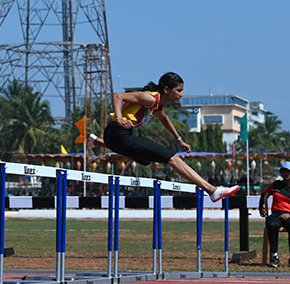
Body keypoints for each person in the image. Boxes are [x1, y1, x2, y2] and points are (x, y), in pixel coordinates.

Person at [90, 72, 239, 203]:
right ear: (166, 89)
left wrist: (179, 139)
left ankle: (97, 142)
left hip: (116, 138)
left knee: (146, 160)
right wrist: (120, 118)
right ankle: (212, 190)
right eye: (179, 91)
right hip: (118, 134)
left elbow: (164, 119)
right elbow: (118, 96)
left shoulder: (158, 105)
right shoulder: (150, 98)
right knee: (173, 158)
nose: (181, 94)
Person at [258, 161, 290, 268]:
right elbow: (264, 195)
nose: (285, 174)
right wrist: (261, 208)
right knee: (272, 225)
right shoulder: (275, 185)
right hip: (276, 214)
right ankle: (274, 257)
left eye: (288, 172)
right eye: (283, 171)